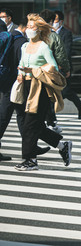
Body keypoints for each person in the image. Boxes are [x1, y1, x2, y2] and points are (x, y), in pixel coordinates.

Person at [14, 14, 74, 171]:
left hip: (39, 88)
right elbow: (20, 64)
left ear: (39, 30)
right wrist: (20, 73)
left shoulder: (43, 47)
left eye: (32, 27)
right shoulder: (24, 46)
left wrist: (33, 70)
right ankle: (62, 146)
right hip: (26, 87)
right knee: (36, 126)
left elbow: (53, 68)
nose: (29, 29)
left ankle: (30, 160)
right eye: (27, 26)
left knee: (29, 125)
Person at [39, 9, 80, 129]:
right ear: (50, 21)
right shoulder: (53, 36)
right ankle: (50, 122)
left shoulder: (34, 34)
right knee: (49, 96)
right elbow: (61, 55)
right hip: (50, 70)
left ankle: (48, 121)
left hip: (35, 71)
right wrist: (66, 69)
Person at [0, 15, 27, 161]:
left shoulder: (10, 38)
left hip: (5, 80)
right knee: (9, 116)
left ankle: (30, 147)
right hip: (12, 82)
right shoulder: (18, 40)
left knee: (21, 115)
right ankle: (31, 147)